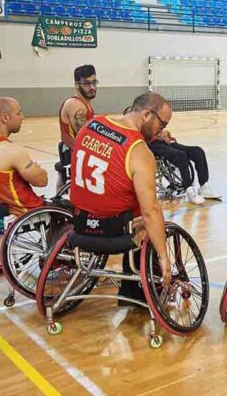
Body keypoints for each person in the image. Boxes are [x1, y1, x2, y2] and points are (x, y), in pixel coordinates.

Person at [70, 92, 172, 302]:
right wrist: (164, 256)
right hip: (115, 231)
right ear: (146, 115)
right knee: (154, 221)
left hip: (80, 222)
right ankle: (138, 289)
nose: (160, 132)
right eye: (161, 125)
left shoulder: (91, 125)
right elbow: (149, 210)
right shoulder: (139, 151)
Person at [0, 98, 46, 216]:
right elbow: (42, 181)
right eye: (18, 113)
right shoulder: (9, 150)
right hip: (25, 213)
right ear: (5, 118)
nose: (22, 117)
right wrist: (37, 168)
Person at [148, 129, 220, 204]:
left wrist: (166, 135)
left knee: (198, 151)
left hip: (165, 141)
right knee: (180, 155)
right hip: (153, 144)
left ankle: (204, 186)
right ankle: (188, 189)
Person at [58, 65, 97, 187]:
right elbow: (87, 138)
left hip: (80, 155)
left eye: (94, 82)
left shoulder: (85, 104)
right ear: (77, 85)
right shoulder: (76, 105)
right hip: (75, 156)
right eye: (86, 83)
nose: (92, 87)